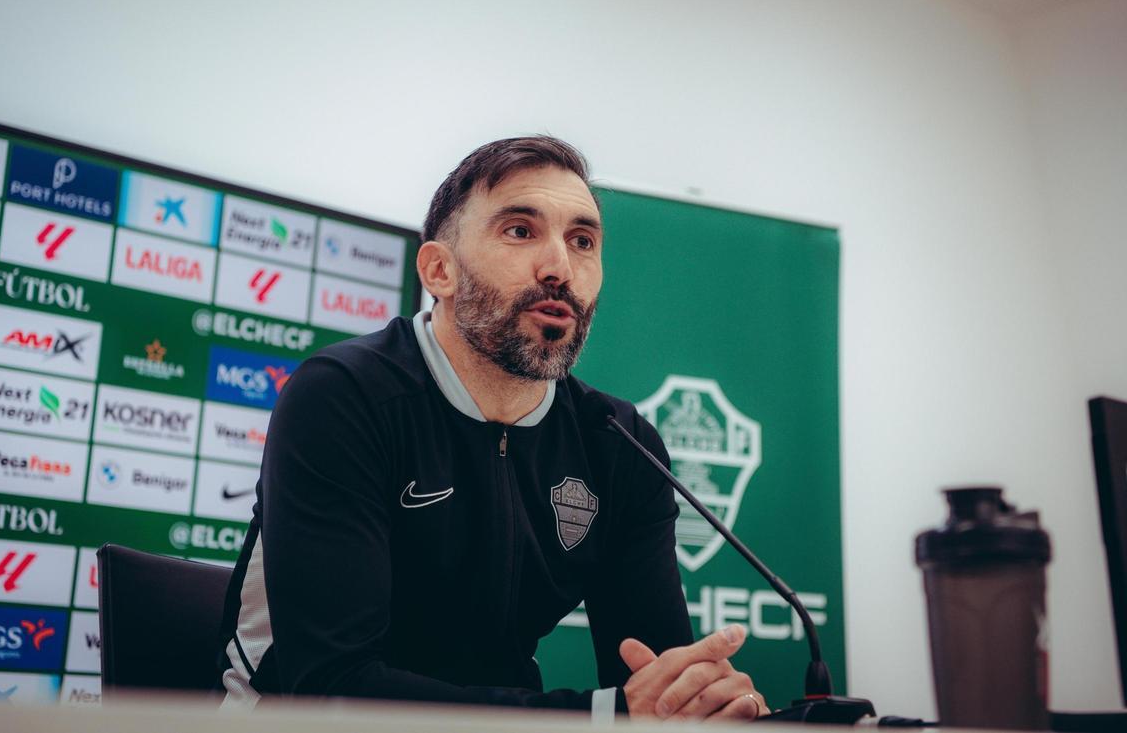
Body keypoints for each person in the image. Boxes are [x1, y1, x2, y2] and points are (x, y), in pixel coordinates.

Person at [217, 136, 767, 722]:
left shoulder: (617, 442)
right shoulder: (344, 397)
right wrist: (605, 717)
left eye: (582, 241)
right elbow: (329, 687)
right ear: (439, 270)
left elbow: (654, 682)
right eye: (520, 231)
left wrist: (698, 705)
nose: (559, 268)